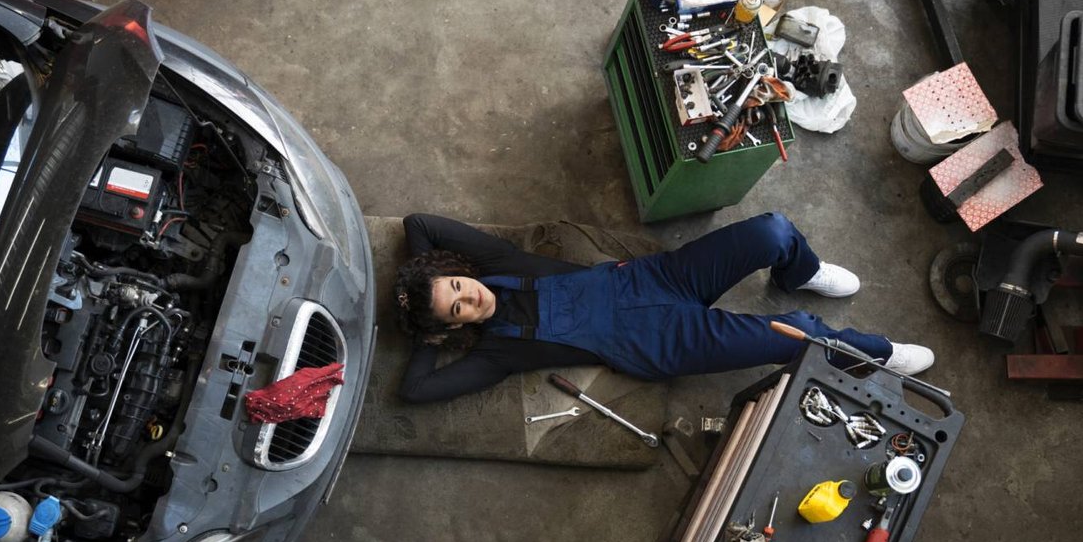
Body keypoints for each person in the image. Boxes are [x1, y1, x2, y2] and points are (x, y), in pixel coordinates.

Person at [393, 212, 934, 404]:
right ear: (454, 328)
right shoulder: (494, 355)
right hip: (660, 343)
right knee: (797, 335)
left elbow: (417, 222)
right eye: (458, 309)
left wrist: (423, 285)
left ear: (459, 269)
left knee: (772, 231)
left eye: (458, 285)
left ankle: (802, 271)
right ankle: (877, 354)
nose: (473, 296)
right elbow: (414, 391)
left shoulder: (493, 262)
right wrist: (426, 328)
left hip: (657, 278)